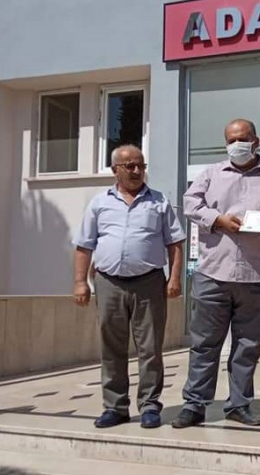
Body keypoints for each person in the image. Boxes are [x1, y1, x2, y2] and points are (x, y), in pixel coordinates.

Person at [172, 119, 260, 428]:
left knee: (247, 346)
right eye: (231, 140)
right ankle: (195, 404)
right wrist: (217, 219)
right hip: (213, 273)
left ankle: (239, 404)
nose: (237, 145)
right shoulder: (211, 174)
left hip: (259, 275)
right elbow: (190, 204)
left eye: (242, 139)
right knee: (204, 344)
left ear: (256, 141)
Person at [73, 145, 186, 429]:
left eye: (141, 165)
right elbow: (84, 245)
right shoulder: (99, 203)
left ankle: (149, 406)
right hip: (108, 282)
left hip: (149, 282)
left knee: (150, 348)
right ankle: (115, 407)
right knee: (111, 347)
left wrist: (174, 279)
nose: (137, 171)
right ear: (115, 170)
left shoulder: (159, 201)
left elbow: (175, 243)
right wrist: (80, 282)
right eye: (130, 166)